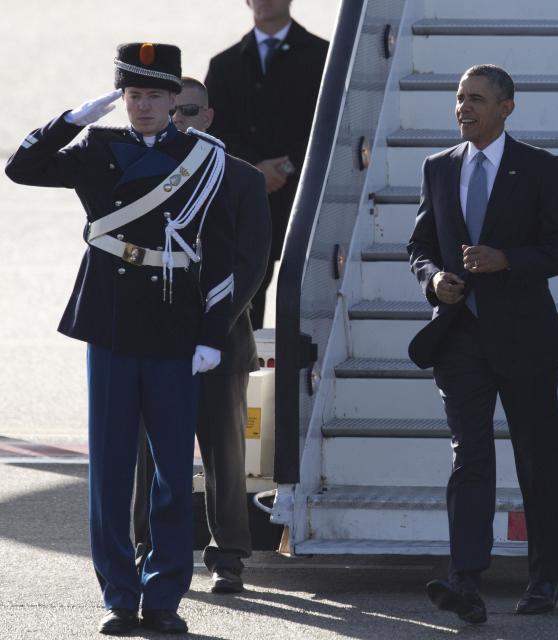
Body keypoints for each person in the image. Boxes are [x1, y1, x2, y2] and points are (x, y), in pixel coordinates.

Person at [6, 44, 235, 635]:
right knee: (110, 468)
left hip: (171, 319)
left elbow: (225, 254)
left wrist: (212, 331)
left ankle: (164, 595)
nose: (144, 106)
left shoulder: (203, 158)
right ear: (122, 98)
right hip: (108, 317)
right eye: (133, 95)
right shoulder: (98, 147)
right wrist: (72, 120)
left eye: (155, 95)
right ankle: (118, 594)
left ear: (172, 99)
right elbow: (21, 168)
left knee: (171, 470)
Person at [407, 64, 558, 624]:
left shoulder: (541, 168)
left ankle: (544, 578)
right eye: (459, 99)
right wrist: (434, 279)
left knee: (536, 460)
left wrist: (508, 260)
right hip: (459, 338)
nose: (464, 108)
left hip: (526, 338)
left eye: (477, 99)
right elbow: (420, 244)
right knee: (469, 458)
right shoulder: (438, 168)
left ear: (507, 107)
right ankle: (465, 581)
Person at [133, 77, 272, 595]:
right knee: (150, 456)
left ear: (209, 116)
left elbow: (252, 263)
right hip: (156, 341)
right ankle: (147, 548)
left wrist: (209, 328)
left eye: (189, 110)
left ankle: (229, 557)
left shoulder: (241, 179)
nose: (178, 120)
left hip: (223, 342)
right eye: (173, 111)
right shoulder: (148, 173)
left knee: (224, 457)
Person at [205, 0, 329, 329]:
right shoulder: (224, 64)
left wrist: (285, 168)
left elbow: (331, 126)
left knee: (305, 291)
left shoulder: (324, 56)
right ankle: (243, 373)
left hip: (302, 199)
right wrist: (255, 168)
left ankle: (298, 375)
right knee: (246, 296)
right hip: (243, 201)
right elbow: (212, 129)